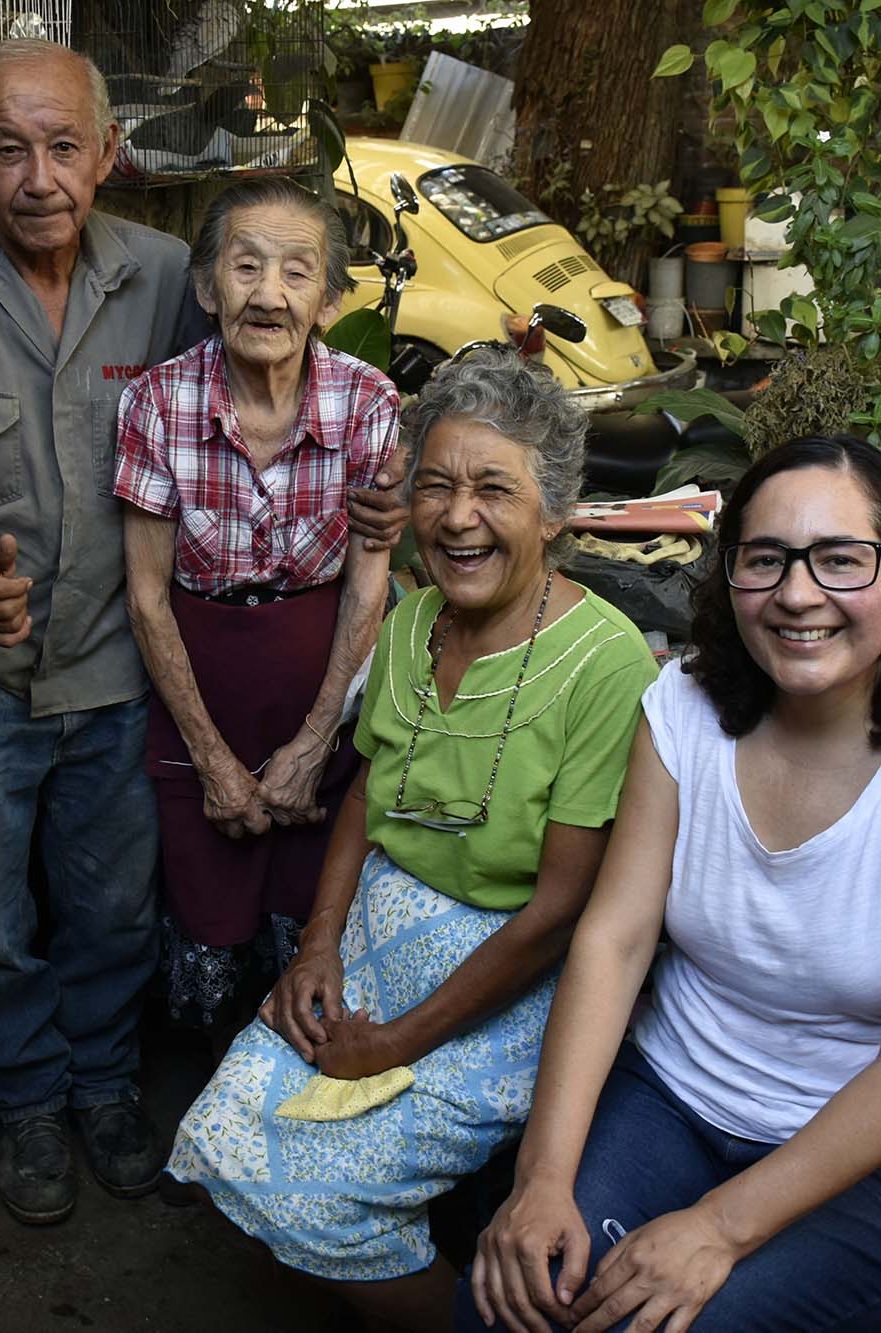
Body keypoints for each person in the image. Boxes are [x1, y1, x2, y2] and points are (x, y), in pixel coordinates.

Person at [0, 38, 408, 1228]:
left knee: (109, 913)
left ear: (109, 153)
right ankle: (24, 1106)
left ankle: (107, 1091)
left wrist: (384, 494)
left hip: (114, 673)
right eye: (8, 149)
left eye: (64, 146)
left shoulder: (172, 273)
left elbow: (278, 378)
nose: (39, 176)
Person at [461, 435, 881, 1333]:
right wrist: (542, 1179)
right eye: (766, 559)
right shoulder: (686, 707)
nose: (796, 592)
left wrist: (717, 1227)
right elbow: (614, 938)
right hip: (675, 1096)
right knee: (515, 1299)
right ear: (732, 578)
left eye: (840, 560)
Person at [166, 346, 659, 1333]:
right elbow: (364, 799)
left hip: (516, 965)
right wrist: (315, 946)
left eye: (492, 489)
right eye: (434, 485)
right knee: (223, 1133)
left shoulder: (606, 660)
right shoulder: (406, 618)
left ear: (553, 513)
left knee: (322, 1191)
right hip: (383, 920)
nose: (456, 515)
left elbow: (563, 907)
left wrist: (396, 1041)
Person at [116, 177, 400, 1037]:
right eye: (245, 267)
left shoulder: (367, 401)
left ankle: (301, 1111)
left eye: (296, 272)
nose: (268, 294)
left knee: (309, 918)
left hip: (327, 691)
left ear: (330, 299)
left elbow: (369, 581)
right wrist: (211, 758)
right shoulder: (158, 403)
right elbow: (145, 594)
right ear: (207, 287)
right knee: (206, 925)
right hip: (198, 696)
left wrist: (317, 742)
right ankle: (211, 1116)